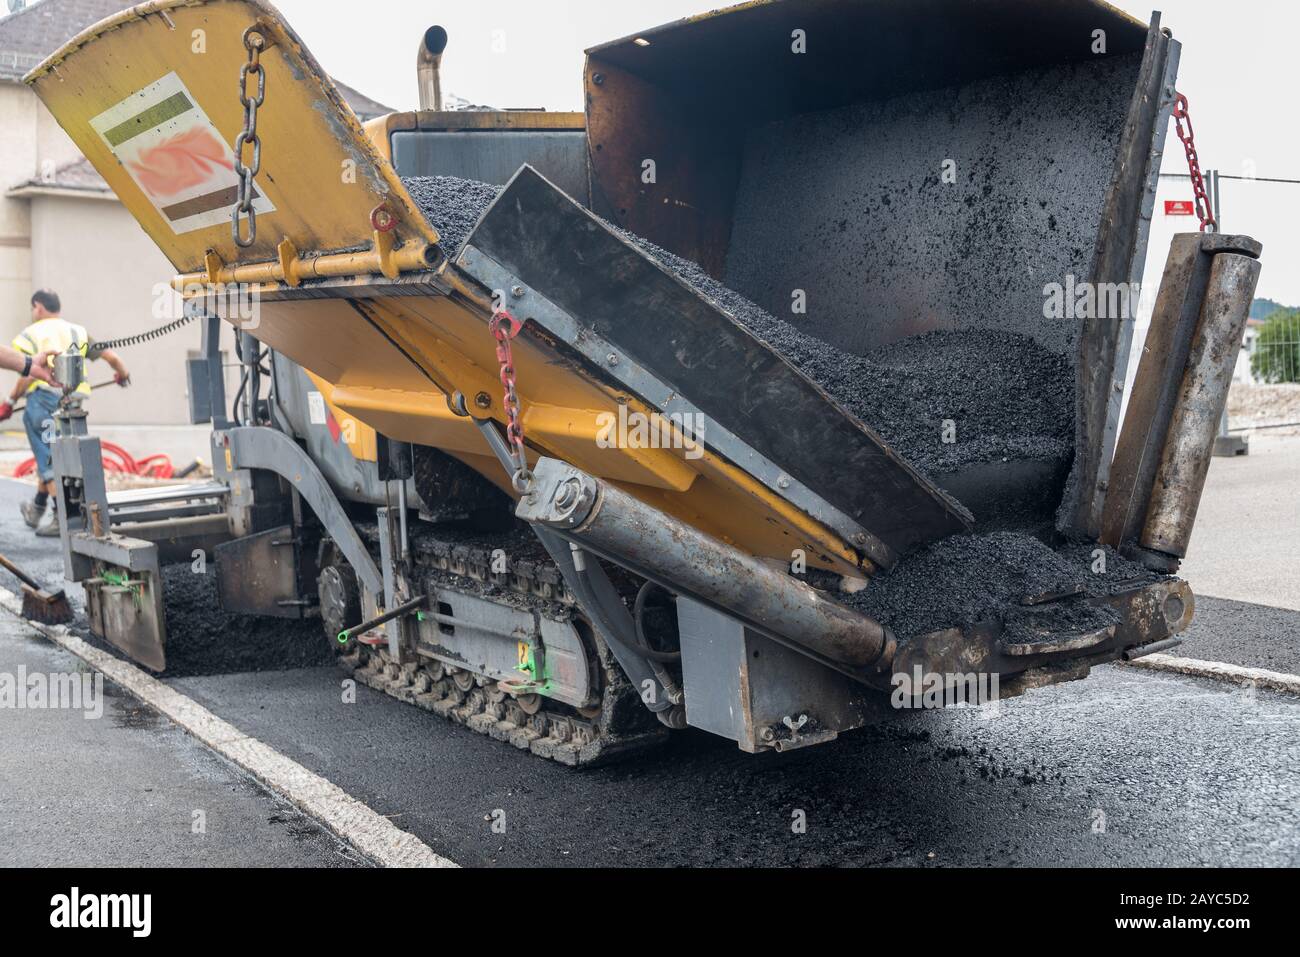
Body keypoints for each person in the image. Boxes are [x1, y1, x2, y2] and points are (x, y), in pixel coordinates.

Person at [0, 290, 130, 537]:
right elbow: (112, 356)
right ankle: (38, 507)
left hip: (43, 401)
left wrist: (9, 402)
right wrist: (122, 374)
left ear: (37, 307)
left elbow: (29, 373)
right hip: (74, 405)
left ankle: (63, 517)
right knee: (62, 455)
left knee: (47, 454)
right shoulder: (77, 331)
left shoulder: (31, 334)